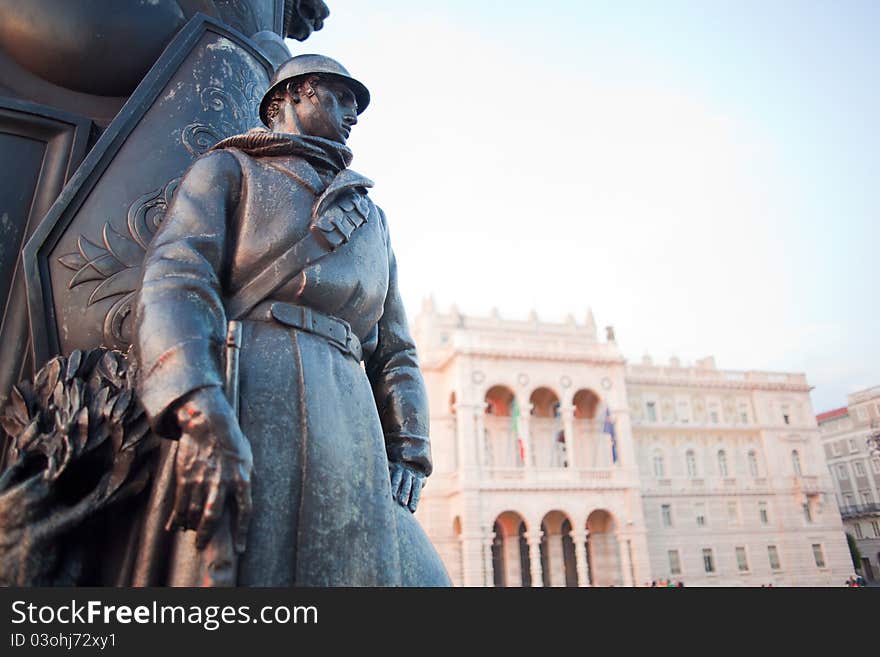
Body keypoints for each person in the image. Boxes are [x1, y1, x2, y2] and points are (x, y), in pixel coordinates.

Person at [132, 54, 449, 586]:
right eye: (341, 97)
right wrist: (196, 402)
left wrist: (409, 448)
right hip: (249, 389)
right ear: (296, 94)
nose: (354, 114)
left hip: (352, 422)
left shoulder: (372, 217)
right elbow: (177, 279)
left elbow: (396, 349)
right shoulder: (229, 170)